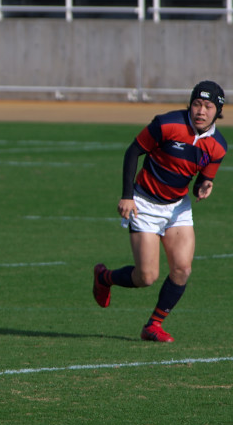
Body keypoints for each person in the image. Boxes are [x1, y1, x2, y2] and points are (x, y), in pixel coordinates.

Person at [93, 80, 227, 343]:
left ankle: (153, 325)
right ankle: (104, 277)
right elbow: (133, 151)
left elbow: (202, 179)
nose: (201, 111)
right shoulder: (167, 124)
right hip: (144, 203)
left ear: (217, 111)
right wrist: (127, 196)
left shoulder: (218, 146)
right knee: (146, 276)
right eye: (197, 104)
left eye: (208, 106)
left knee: (182, 269)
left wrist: (204, 186)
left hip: (178, 208)